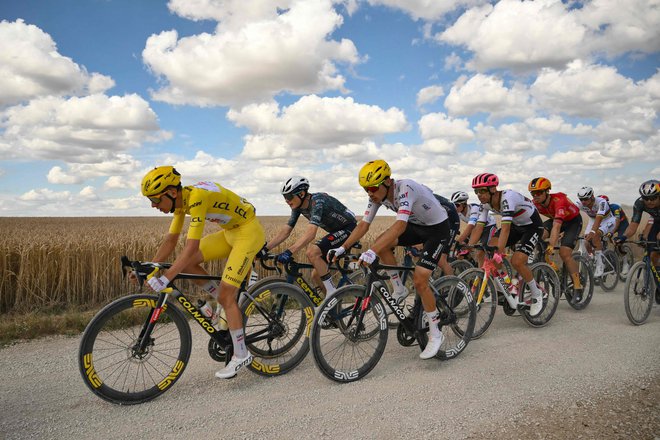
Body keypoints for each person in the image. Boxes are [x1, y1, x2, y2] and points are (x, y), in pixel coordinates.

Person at [140, 166, 265, 379]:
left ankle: (241, 354)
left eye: (156, 199)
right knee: (189, 265)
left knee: (226, 294)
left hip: (248, 232)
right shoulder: (182, 202)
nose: (153, 205)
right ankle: (225, 304)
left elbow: (189, 247)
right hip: (229, 233)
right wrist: (151, 266)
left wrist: (166, 278)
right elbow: (171, 241)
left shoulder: (196, 198)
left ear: (171, 192)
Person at [328, 159, 452, 360]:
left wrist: (372, 251)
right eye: (366, 189)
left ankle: (435, 332)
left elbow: (400, 226)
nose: (369, 193)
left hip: (437, 230)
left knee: (421, 278)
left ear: (387, 182)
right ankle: (399, 289)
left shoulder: (406, 188)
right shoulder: (377, 195)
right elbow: (363, 225)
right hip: (417, 226)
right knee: (381, 241)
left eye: (372, 188)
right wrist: (343, 247)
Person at [264, 176, 357, 296]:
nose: (286, 200)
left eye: (289, 196)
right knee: (316, 275)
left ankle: (332, 293)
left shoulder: (317, 202)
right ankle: (333, 307)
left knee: (312, 252)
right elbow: (286, 231)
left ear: (302, 194)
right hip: (337, 231)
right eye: (284, 197)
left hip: (350, 229)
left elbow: (311, 233)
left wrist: (289, 251)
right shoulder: (298, 206)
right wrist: (265, 249)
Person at [468, 173, 545, 316]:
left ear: (492, 189)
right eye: (476, 191)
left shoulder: (507, 198)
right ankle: (507, 287)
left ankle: (537, 293)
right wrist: (468, 247)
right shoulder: (485, 204)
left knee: (517, 261)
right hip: (516, 226)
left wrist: (499, 251)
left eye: (482, 190)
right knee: (488, 250)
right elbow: (479, 227)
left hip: (532, 227)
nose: (479, 195)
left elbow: (505, 228)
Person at [529, 177, 584, 302]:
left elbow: (557, 226)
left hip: (572, 222)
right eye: (533, 193)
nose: (535, 196)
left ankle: (577, 286)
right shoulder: (535, 204)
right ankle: (553, 273)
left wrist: (551, 245)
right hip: (556, 220)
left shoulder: (559, 200)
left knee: (564, 253)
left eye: (538, 192)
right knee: (537, 237)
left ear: (547, 191)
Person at [615, 180, 660, 301]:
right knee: (653, 253)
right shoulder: (639, 204)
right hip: (657, 221)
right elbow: (634, 225)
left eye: (653, 198)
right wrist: (623, 237)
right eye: (646, 198)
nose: (649, 201)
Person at [575, 187, 616, 277]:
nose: (583, 202)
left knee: (596, 235)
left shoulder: (601, 202)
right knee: (586, 242)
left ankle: (600, 264)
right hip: (593, 219)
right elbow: (571, 212)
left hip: (607, 220)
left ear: (592, 196)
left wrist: (593, 232)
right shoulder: (580, 204)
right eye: (581, 199)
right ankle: (593, 257)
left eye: (586, 199)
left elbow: (599, 218)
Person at [451, 190, 496, 265]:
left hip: (488, 226)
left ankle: (481, 274)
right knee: (462, 248)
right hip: (475, 228)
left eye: (457, 205)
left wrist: (458, 241)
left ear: (464, 204)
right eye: (454, 205)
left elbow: (471, 226)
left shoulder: (474, 208)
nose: (455, 208)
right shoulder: (458, 213)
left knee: (480, 252)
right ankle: (472, 265)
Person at [599, 194, 631, 275]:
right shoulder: (600, 210)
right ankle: (610, 261)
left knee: (619, 242)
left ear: (607, 203)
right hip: (611, 225)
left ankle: (625, 263)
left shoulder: (615, 207)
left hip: (622, 225)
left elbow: (617, 221)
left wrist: (612, 232)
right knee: (602, 241)